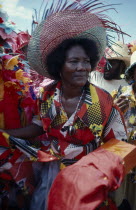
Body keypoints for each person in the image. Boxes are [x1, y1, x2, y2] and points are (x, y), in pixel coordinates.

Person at [0, 0, 131, 209]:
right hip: (50, 174)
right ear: (59, 66)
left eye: (87, 61)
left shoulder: (102, 101)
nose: (83, 68)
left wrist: (94, 172)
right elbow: (38, 126)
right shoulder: (47, 95)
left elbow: (120, 145)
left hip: (86, 184)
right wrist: (6, 132)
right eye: (74, 61)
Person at [112, 51, 136, 210]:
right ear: (133, 72)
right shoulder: (120, 95)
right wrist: (114, 113)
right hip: (123, 164)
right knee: (120, 203)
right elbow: (104, 131)